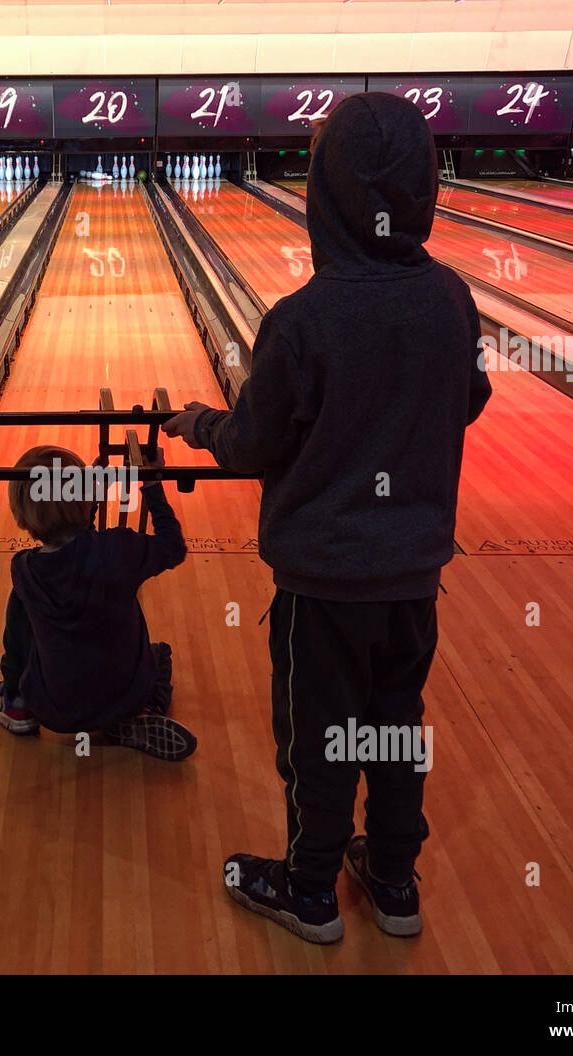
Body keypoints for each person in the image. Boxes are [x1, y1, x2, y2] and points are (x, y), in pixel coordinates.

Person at [164, 92, 491, 944]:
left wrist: (198, 423)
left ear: (323, 198)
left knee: (319, 736)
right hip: (413, 578)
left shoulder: (303, 322)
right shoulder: (451, 301)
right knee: (392, 726)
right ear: (422, 188)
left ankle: (310, 888)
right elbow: (470, 398)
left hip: (323, 582)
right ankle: (393, 882)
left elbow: (249, 443)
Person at [0, 444, 196, 761]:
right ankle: (146, 708)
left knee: (24, 618)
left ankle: (16, 703)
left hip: (55, 709)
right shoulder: (120, 550)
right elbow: (172, 547)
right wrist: (152, 484)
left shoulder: (24, 569)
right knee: (159, 654)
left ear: (21, 512)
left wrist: (13, 682)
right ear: (87, 500)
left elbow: (16, 643)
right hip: (125, 698)